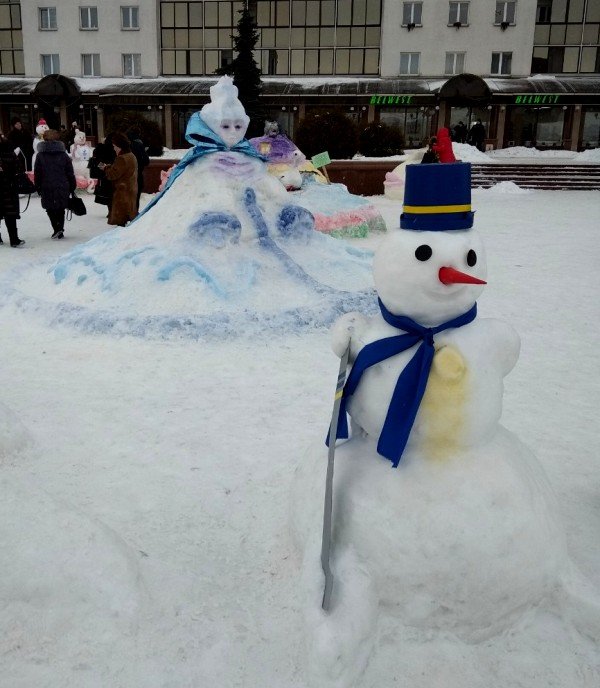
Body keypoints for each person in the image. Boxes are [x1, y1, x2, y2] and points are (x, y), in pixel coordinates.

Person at [34, 129, 76, 240]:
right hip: (62, 184)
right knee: (61, 207)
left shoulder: (40, 155)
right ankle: (60, 229)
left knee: (50, 207)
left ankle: (56, 228)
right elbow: (69, 172)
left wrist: (37, 185)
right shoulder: (63, 155)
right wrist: (72, 185)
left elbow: (38, 172)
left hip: (46, 185)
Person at [98, 131, 137, 226]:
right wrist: (111, 167)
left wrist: (105, 168)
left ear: (119, 146)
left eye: (115, 146)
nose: (114, 148)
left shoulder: (121, 158)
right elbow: (124, 171)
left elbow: (112, 175)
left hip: (122, 193)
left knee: (121, 222)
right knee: (128, 218)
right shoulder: (131, 155)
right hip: (130, 190)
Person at [0, 133, 25, 246]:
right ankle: (14, 239)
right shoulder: (9, 150)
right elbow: (18, 168)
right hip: (9, 187)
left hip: (7, 186)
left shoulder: (8, 149)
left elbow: (17, 168)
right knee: (9, 214)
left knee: (7, 214)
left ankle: (9, 239)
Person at [88, 132, 116, 212]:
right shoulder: (114, 149)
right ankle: (112, 210)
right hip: (112, 173)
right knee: (113, 192)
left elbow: (97, 161)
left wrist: (102, 168)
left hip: (103, 174)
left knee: (106, 192)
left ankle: (110, 210)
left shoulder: (100, 148)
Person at [127, 126, 150, 213]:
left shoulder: (125, 145)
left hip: (125, 175)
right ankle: (134, 212)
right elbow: (146, 161)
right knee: (136, 195)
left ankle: (126, 213)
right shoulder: (139, 144)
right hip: (137, 174)